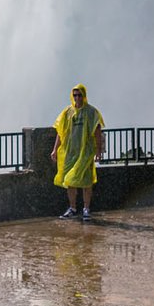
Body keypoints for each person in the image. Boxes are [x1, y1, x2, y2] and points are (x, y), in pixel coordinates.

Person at [52, 84, 105, 220]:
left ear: (84, 96)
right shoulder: (67, 112)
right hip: (71, 153)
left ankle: (86, 209)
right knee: (70, 181)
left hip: (86, 152)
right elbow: (60, 132)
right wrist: (55, 150)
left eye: (79, 95)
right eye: (74, 95)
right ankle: (73, 208)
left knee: (86, 181)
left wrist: (98, 150)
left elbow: (97, 130)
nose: (77, 97)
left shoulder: (91, 112)